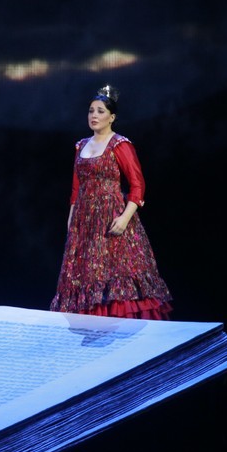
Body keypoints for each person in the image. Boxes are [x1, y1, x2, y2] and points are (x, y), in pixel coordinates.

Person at [50, 85, 173, 319]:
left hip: (111, 216)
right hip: (84, 223)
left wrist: (125, 218)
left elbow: (137, 185)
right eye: (91, 111)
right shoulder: (80, 146)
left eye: (100, 111)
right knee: (85, 275)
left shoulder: (120, 144)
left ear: (112, 117)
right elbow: (76, 189)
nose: (94, 115)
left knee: (116, 272)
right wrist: (71, 220)